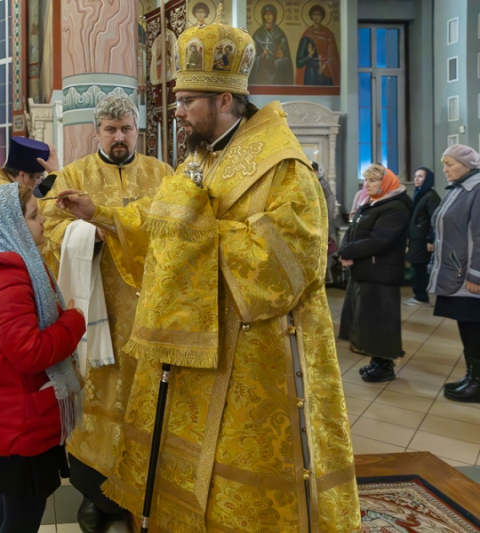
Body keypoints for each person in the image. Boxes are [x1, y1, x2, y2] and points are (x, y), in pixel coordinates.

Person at [56, 13, 360, 531]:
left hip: (257, 356)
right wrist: (101, 215)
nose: (176, 113)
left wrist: (195, 237)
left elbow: (294, 261)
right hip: (199, 353)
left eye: (185, 102)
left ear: (225, 101)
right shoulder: (201, 161)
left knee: (248, 491)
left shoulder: (281, 165)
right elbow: (162, 224)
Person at [42, 95, 172, 533]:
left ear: (138, 131)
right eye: (111, 130)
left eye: (126, 129)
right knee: (97, 404)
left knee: (151, 405)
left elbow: (180, 224)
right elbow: (50, 228)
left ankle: (148, 488)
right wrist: (87, 235)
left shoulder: (161, 174)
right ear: (96, 131)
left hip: (153, 315)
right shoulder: (75, 175)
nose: (119, 137)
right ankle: (94, 495)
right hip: (98, 322)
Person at [0, 183, 86, 533]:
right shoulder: (9, 279)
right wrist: (74, 321)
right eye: (33, 216)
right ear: (9, 225)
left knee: (12, 503)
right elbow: (29, 353)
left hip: (14, 409)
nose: (42, 222)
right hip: (18, 415)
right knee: (23, 513)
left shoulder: (13, 268)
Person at [338, 164, 411, 382]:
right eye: (365, 180)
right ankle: (376, 361)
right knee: (367, 320)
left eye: (371, 181)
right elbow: (352, 230)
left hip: (381, 273)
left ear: (385, 183)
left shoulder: (396, 207)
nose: (366, 185)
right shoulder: (372, 202)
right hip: (365, 271)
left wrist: (348, 251)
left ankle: (385, 365)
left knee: (381, 321)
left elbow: (380, 240)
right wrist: (344, 250)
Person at [428, 145, 480, 403]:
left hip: (468, 277)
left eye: (450, 163)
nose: (445, 169)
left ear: (467, 165)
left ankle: (478, 382)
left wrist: (476, 276)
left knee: (474, 326)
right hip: (456, 271)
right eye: (443, 164)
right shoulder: (459, 189)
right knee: (467, 326)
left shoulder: (477, 189)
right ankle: (473, 375)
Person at [0, 137, 58, 203]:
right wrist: (54, 174)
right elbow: (47, 211)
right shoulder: (10, 196)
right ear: (23, 175)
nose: (38, 182)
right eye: (38, 177)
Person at [406, 167, 440, 307]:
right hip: (416, 239)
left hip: (424, 240)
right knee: (416, 266)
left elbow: (434, 219)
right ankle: (419, 295)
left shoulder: (431, 196)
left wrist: (431, 239)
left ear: (428, 179)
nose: (416, 179)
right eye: (415, 176)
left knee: (419, 268)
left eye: (420, 176)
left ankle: (421, 296)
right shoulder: (420, 193)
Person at [296, 5, 340, 86]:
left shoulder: (328, 34)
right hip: (311, 74)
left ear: (322, 16)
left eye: (319, 14)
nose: (316, 17)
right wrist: (309, 56)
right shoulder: (307, 35)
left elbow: (334, 56)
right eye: (314, 14)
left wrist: (325, 65)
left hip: (326, 73)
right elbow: (299, 63)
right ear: (311, 16)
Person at [250, 3, 293, 85]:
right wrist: (261, 56)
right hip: (261, 70)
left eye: (271, 14)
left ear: (274, 16)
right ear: (263, 16)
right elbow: (251, 56)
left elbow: (287, 58)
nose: (269, 16)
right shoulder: (257, 35)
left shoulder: (280, 35)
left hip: (277, 72)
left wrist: (281, 57)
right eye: (266, 14)